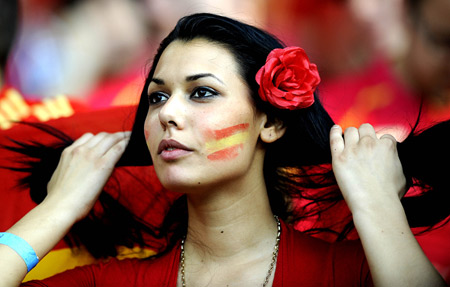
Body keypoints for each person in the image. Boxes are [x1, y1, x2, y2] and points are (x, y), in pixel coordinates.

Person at [0, 13, 448, 286]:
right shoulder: (114, 280)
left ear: (270, 122)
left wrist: (376, 204)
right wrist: (57, 208)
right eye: (157, 97)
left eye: (202, 93)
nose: (166, 115)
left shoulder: (351, 274)